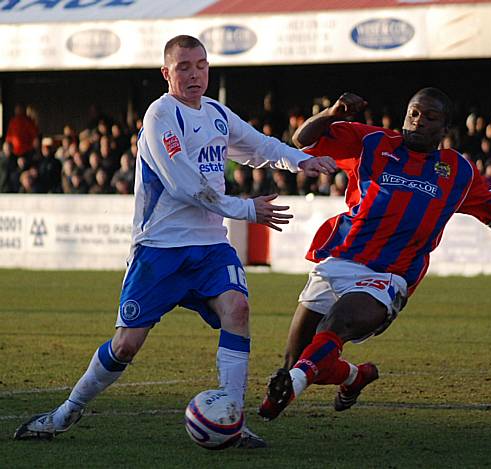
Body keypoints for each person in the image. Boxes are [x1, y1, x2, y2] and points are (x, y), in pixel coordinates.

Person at [14, 34, 336, 448]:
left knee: (237, 308)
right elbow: (184, 185)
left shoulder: (217, 113)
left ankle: (232, 422)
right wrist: (246, 209)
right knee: (126, 345)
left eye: (201, 65)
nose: (194, 74)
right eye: (184, 67)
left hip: (209, 247)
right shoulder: (161, 115)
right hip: (159, 250)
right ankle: (65, 413)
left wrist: (301, 160)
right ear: (166, 73)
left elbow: (258, 146)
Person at [257, 89, 491, 422]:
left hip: (389, 275)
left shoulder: (458, 171)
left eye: (429, 117)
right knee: (298, 358)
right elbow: (304, 140)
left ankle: (285, 393)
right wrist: (332, 114)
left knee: (336, 327)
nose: (418, 121)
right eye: (414, 113)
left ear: (444, 128)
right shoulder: (373, 142)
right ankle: (354, 377)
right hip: (339, 260)